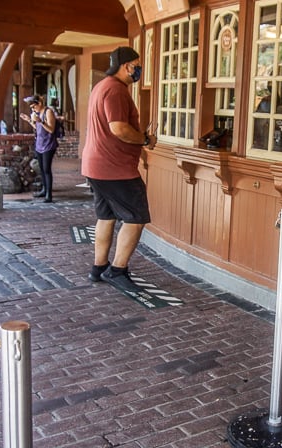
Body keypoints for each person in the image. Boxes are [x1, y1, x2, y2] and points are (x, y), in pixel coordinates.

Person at [81, 46, 157, 291]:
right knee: (136, 218)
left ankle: (98, 267)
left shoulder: (100, 87)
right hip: (115, 168)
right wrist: (144, 139)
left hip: (95, 165)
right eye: (137, 64)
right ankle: (117, 270)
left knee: (106, 216)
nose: (139, 69)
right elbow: (119, 128)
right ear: (126, 66)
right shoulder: (116, 90)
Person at [20, 95, 57, 203]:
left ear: (39, 103)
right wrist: (29, 120)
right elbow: (38, 128)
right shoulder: (37, 113)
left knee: (46, 169)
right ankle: (44, 189)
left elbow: (51, 129)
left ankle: (48, 194)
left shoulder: (48, 112)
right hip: (39, 144)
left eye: (33, 106)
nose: (33, 109)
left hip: (48, 145)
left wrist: (40, 121)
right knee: (41, 169)